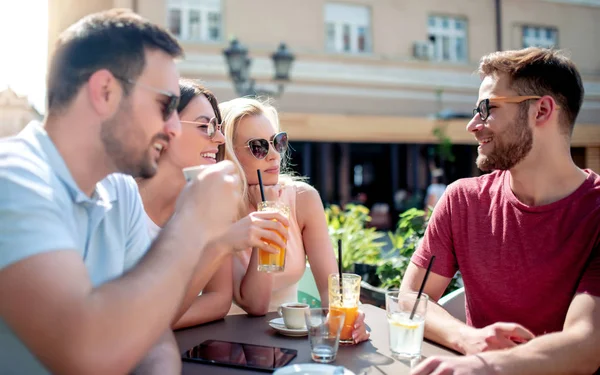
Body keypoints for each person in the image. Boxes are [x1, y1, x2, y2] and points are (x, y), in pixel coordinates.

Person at [0, 10, 241, 375]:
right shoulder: (14, 180)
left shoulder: (121, 189)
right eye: (165, 106)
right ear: (105, 92)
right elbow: (85, 352)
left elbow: (150, 332)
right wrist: (192, 221)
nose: (174, 128)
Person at [402, 47, 600, 375]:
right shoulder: (461, 200)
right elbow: (411, 295)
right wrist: (468, 339)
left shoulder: (594, 214)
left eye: (487, 108)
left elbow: (586, 344)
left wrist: (484, 365)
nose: (472, 125)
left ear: (542, 110)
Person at [138, 79, 288, 329]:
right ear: (165, 128)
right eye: (205, 126)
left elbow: (219, 300)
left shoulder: (208, 205)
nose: (220, 139)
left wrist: (153, 324)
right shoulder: (118, 199)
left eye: (217, 127)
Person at [219, 97, 370, 344]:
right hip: (230, 343)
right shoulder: (217, 210)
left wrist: (351, 317)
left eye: (277, 142)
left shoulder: (303, 199)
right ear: (229, 155)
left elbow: (330, 291)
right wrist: (268, 213)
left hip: (294, 340)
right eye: (258, 147)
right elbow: (255, 305)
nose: (273, 155)